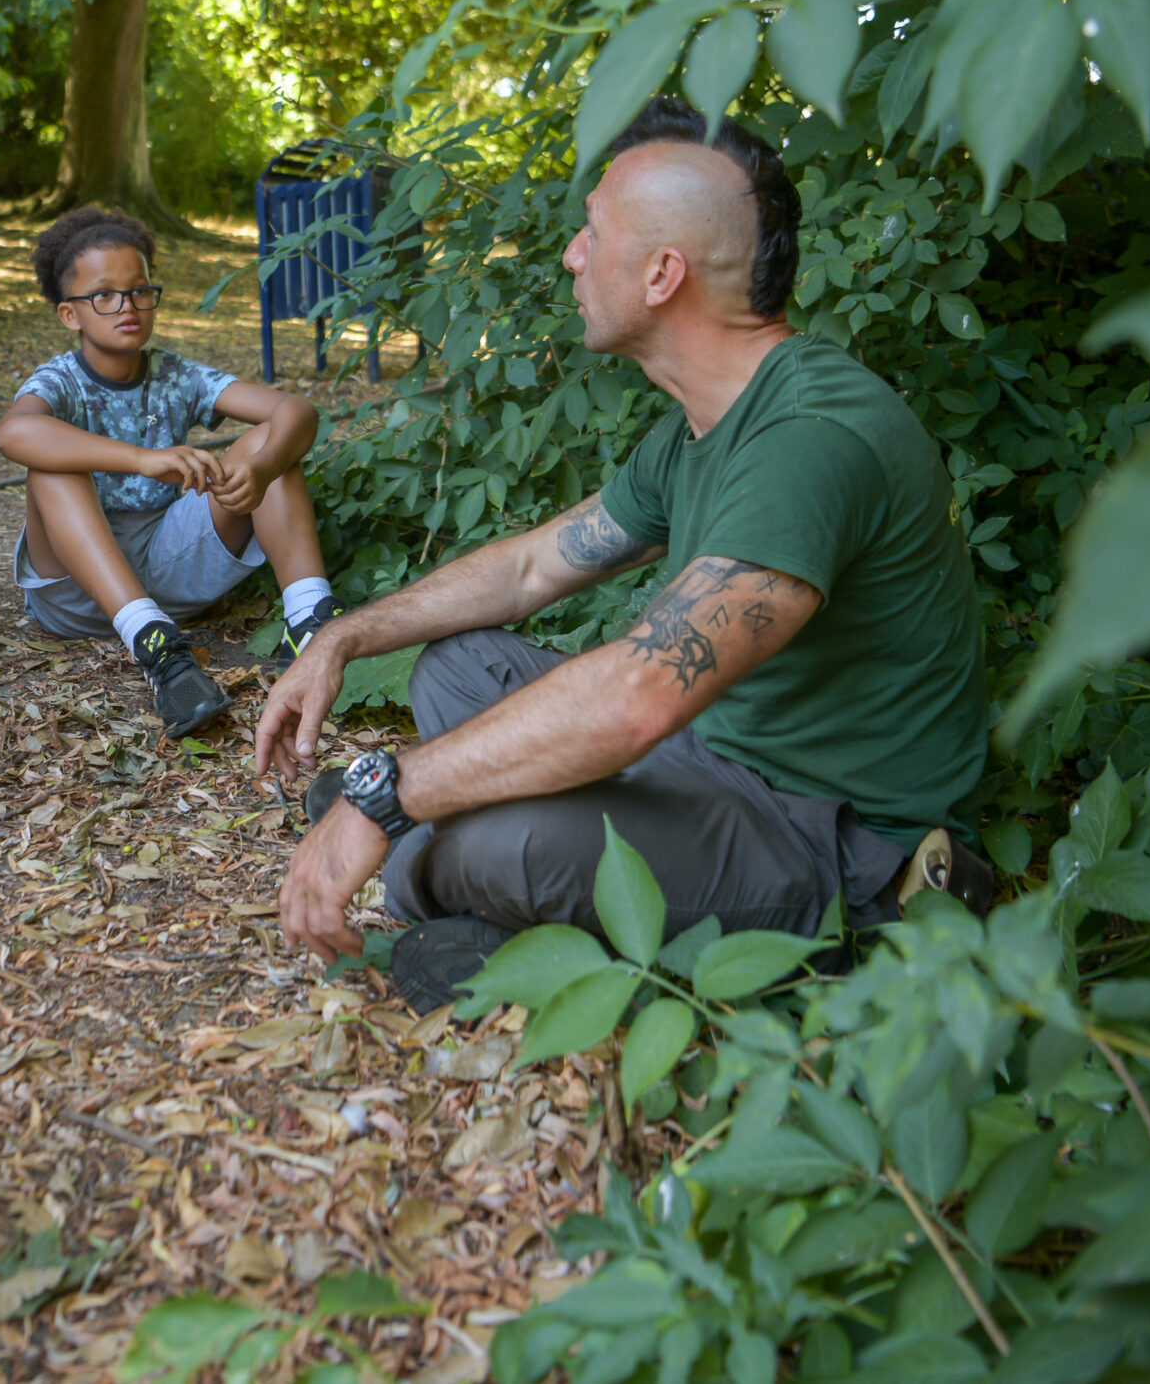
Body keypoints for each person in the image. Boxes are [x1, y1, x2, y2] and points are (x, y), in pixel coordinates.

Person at [256, 99, 993, 1010]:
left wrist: (381, 798)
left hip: (835, 840)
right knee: (457, 668)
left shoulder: (810, 438)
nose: (570, 253)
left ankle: (531, 909)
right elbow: (532, 569)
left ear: (661, 275)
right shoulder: (701, 425)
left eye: (591, 231)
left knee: (489, 845)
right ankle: (506, 890)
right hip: (714, 759)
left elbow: (639, 695)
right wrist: (343, 638)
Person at [0, 205, 342, 738]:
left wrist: (262, 466)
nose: (126, 306)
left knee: (265, 444)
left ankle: (313, 622)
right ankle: (156, 648)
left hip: (168, 563)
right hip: (73, 589)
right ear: (71, 315)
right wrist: (142, 458)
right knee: (51, 468)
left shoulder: (177, 375)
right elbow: (13, 434)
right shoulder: (60, 379)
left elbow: (296, 410)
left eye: (139, 291)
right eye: (104, 296)